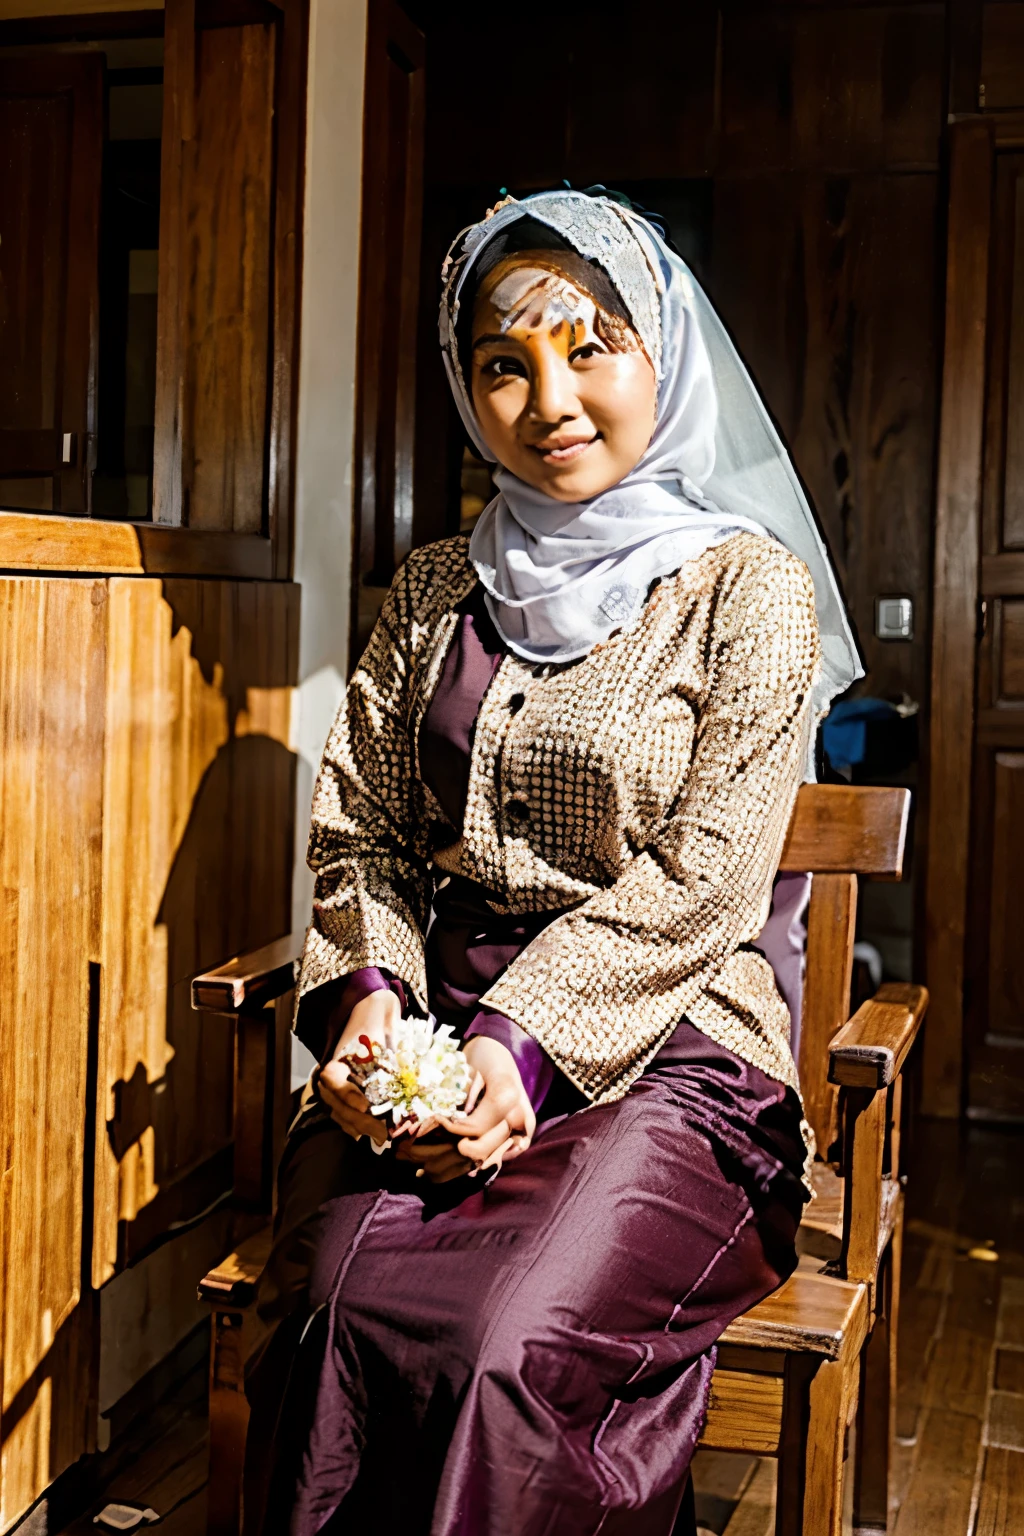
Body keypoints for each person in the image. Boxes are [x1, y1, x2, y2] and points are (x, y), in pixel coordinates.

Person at [244, 188, 862, 1536]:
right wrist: (368, 1010)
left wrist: (521, 1048)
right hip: (438, 1038)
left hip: (681, 1063)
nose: (550, 398)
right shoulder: (430, 594)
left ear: (666, 356)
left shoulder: (746, 592)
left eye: (593, 347)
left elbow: (705, 882)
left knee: (501, 1345)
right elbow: (362, 832)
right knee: (340, 1310)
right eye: (504, 365)